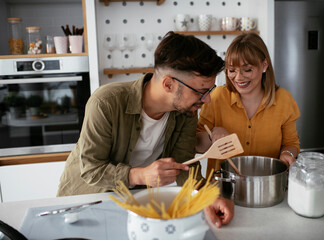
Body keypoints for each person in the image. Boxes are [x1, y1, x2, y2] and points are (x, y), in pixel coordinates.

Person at [57, 31, 234, 228]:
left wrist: (207, 196)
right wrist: (139, 175)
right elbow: (91, 169)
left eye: (209, 91)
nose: (207, 99)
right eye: (201, 91)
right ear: (168, 84)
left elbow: (185, 165)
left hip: (135, 201)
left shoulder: (186, 112)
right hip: (85, 204)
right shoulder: (106, 102)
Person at [196, 32, 300, 178]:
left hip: (267, 186)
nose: (238, 78)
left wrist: (287, 154)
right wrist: (211, 134)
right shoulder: (217, 97)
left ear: (264, 65)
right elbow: (196, 145)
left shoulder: (284, 100)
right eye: (232, 70)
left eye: (247, 70)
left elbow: (291, 143)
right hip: (222, 187)